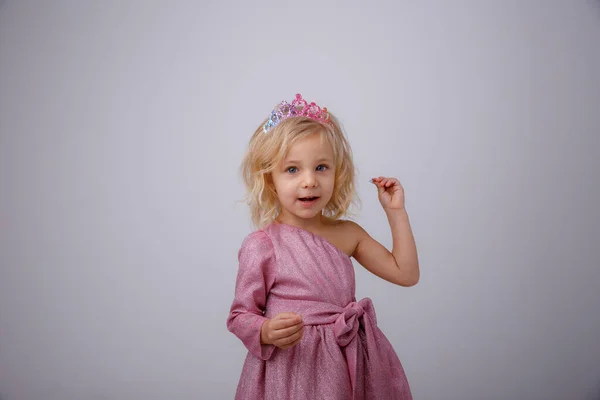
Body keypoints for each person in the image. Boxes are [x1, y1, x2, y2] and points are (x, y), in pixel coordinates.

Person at [226, 93, 419, 399]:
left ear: (336, 172)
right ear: (270, 179)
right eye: (292, 170)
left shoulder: (348, 234)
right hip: (292, 370)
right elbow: (240, 315)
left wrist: (396, 213)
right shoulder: (263, 245)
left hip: (348, 362)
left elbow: (405, 274)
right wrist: (264, 330)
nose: (309, 181)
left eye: (321, 167)